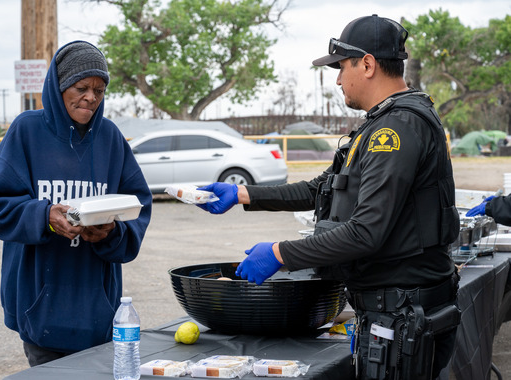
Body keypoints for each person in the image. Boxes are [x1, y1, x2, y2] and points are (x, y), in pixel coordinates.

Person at [197, 15, 460, 380]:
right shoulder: (379, 124)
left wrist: (279, 254)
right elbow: (320, 188)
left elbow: (366, 232)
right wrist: (244, 193)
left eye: (341, 67)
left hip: (402, 314)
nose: (337, 79)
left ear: (366, 64)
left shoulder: (395, 130)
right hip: (393, 310)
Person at [0, 41, 152, 367]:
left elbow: (138, 206)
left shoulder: (111, 139)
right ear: (58, 87)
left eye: (99, 90)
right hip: (39, 303)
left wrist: (111, 232)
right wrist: (43, 216)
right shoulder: (27, 131)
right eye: (81, 87)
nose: (91, 97)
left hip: (97, 308)